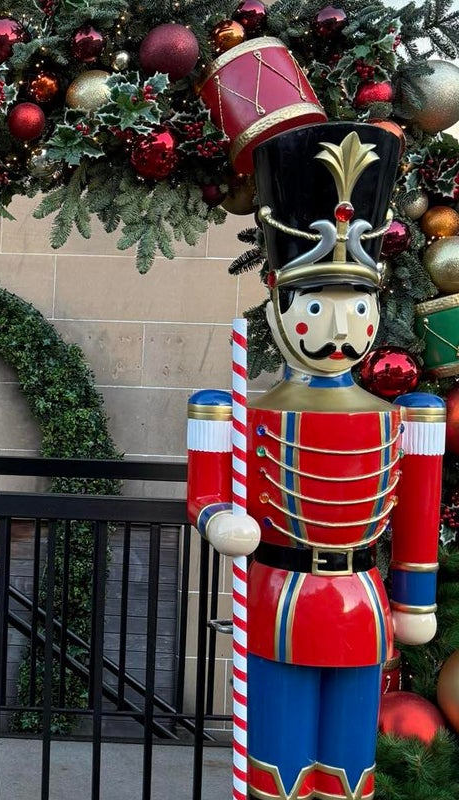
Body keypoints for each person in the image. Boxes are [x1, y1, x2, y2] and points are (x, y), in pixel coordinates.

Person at [186, 123, 440, 800]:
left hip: (363, 602)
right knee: (280, 761)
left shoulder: (407, 416)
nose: (339, 329)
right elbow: (204, 494)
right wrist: (220, 520)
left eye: (357, 306)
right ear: (279, 304)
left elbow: (416, 511)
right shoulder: (237, 410)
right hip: (280, 601)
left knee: (350, 766)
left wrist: (415, 598)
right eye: (319, 306)